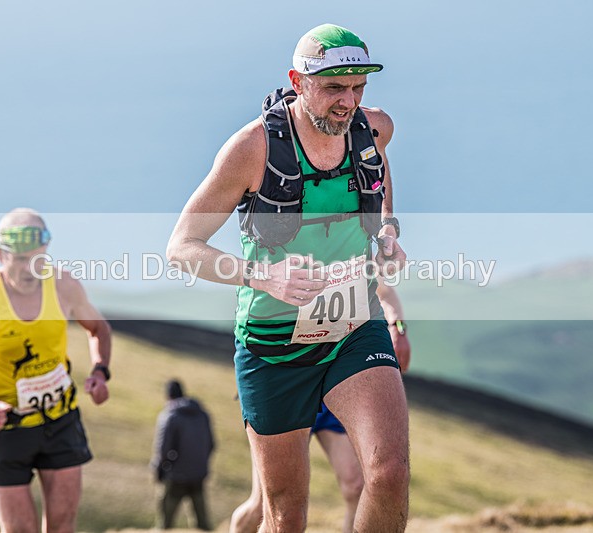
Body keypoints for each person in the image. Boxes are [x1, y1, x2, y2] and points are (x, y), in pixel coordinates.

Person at [168, 23, 410, 532]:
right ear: (298, 82)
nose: (349, 102)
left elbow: (380, 175)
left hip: (354, 328)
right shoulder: (251, 149)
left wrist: (387, 229)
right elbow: (182, 248)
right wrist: (264, 277)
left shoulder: (373, 128)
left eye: (358, 87)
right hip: (273, 343)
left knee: (388, 474)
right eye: (335, 88)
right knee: (285, 514)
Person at [0, 209, 111, 533]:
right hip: (6, 428)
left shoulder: (64, 285)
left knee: (63, 526)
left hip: (60, 420)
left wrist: (100, 372)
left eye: (37, 259)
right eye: (19, 260)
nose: (29, 269)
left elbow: (99, 328)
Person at [230, 283, 411, 533]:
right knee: (267, 507)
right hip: (286, 372)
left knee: (356, 484)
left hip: (335, 384)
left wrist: (397, 327)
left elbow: (385, 290)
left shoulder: (349, 260)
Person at [151, 379, 215, 531]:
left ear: (168, 396)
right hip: (198, 475)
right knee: (202, 524)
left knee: (165, 523)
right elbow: (212, 444)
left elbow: (162, 448)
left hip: (175, 477)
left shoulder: (169, 416)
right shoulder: (202, 414)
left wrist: (158, 469)